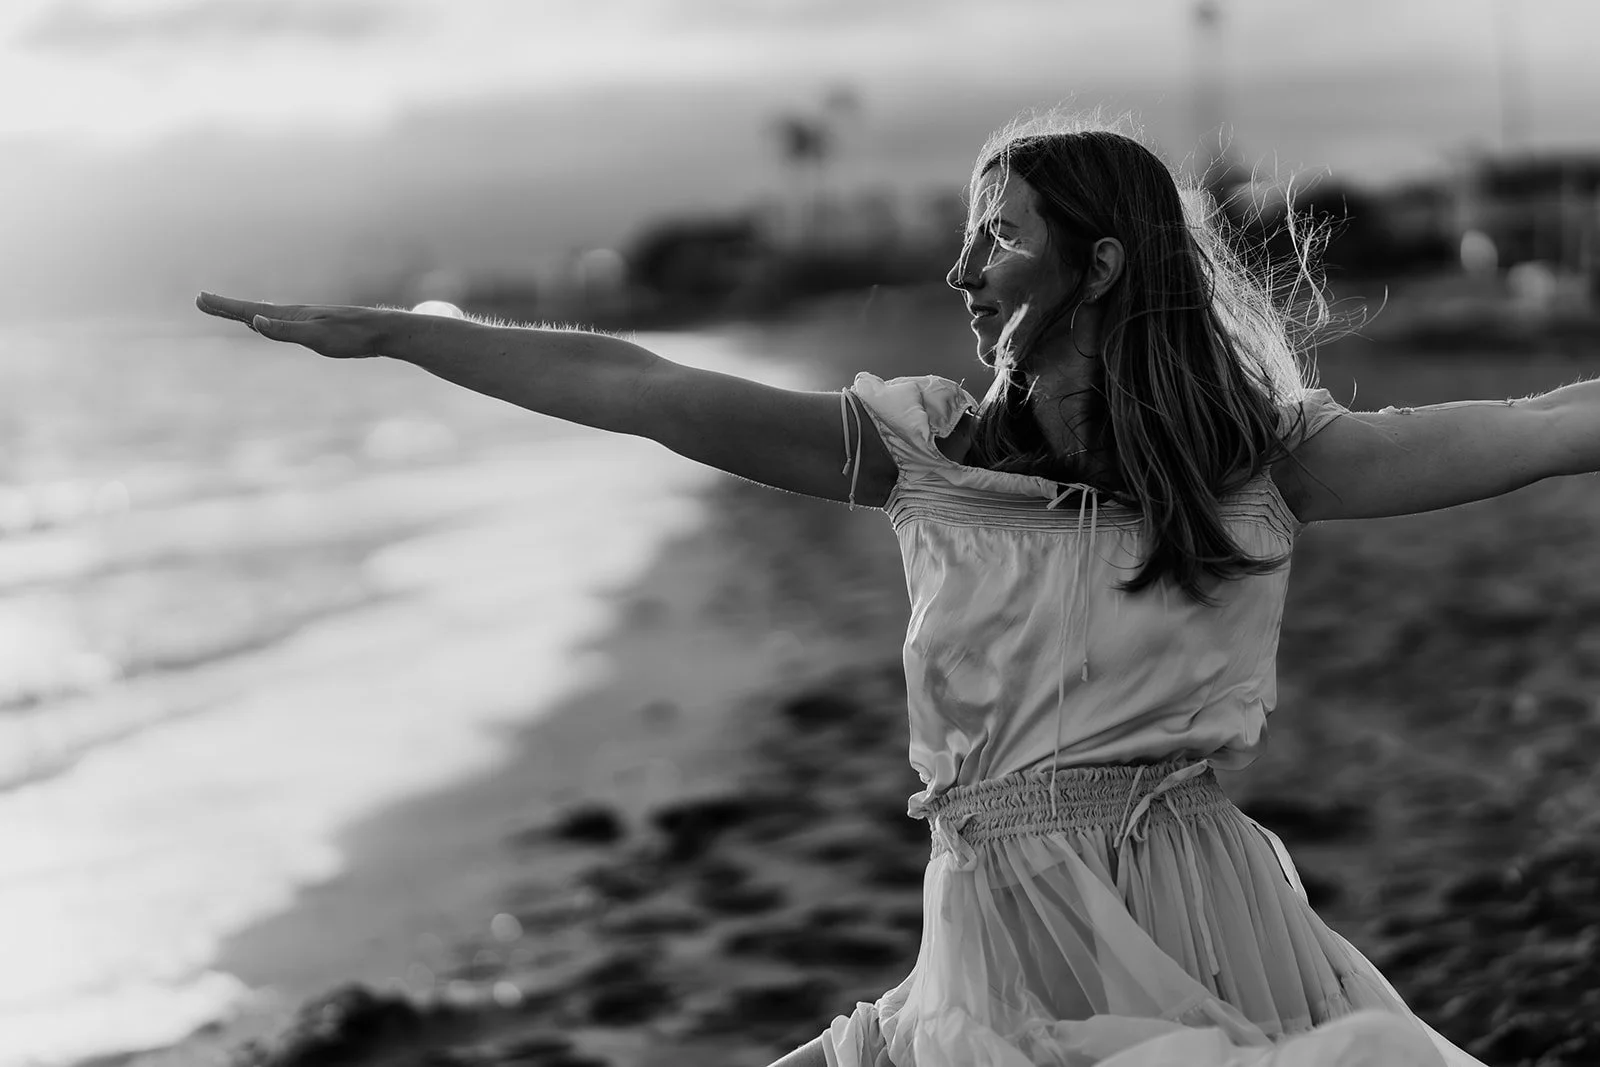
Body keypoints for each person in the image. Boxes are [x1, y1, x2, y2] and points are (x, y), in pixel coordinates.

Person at [195, 111, 1581, 1067]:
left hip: (1192, 912)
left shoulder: (1259, 459)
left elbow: (1541, 423)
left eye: (1001, 237)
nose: (962, 271)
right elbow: (643, 387)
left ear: (1100, 265)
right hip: (984, 924)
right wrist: (406, 338)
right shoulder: (927, 449)